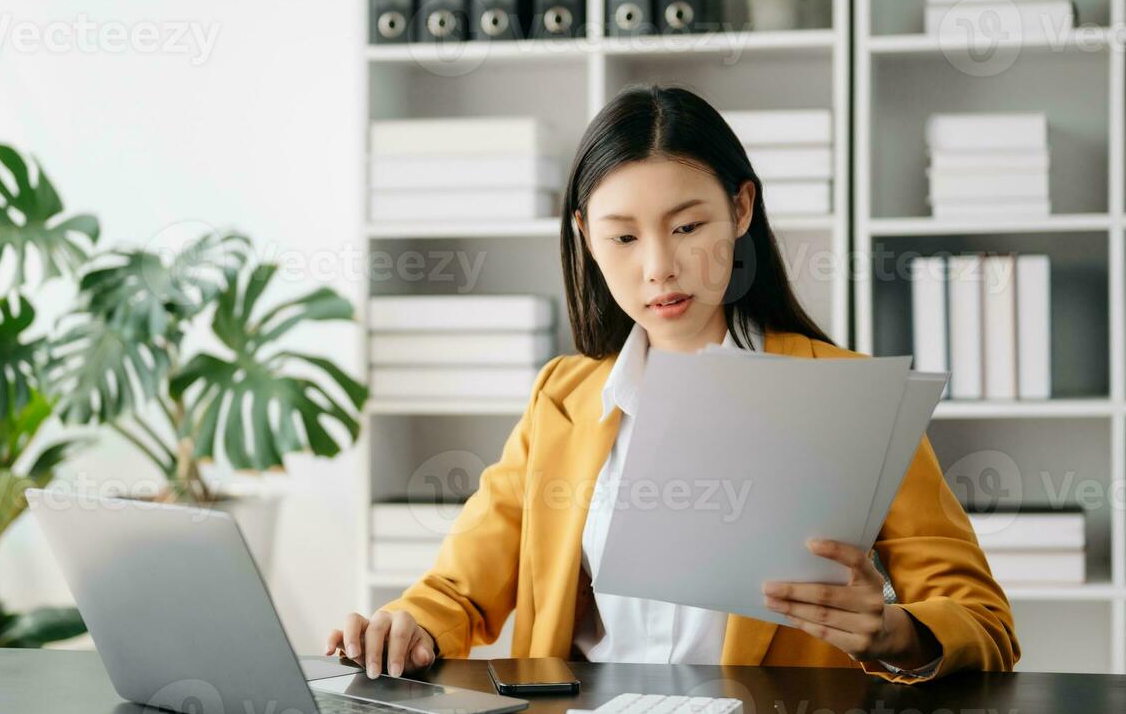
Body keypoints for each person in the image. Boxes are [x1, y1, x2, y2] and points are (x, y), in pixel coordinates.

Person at [327, 84, 1019, 682]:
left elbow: (984, 624)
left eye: (687, 226)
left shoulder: (853, 397)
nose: (659, 267)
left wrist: (893, 632)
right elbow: (461, 592)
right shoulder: (563, 401)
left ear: (741, 210)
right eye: (622, 238)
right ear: (584, 237)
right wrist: (410, 623)